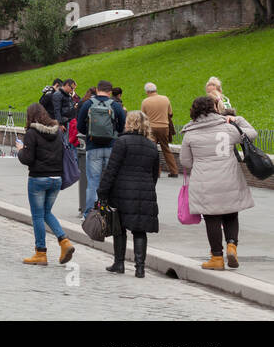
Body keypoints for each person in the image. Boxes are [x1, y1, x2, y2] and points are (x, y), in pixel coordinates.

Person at [179, 95, 256, 270]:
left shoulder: (190, 133)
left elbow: (185, 161)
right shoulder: (227, 128)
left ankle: (217, 258)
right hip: (229, 178)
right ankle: (232, 245)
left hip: (205, 182)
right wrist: (237, 119)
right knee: (231, 214)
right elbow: (252, 133)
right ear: (215, 108)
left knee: (211, 218)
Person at [96, 109, 160, 278]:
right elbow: (155, 174)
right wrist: (147, 187)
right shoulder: (152, 146)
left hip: (121, 191)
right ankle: (140, 268)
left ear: (129, 123)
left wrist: (102, 191)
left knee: (120, 228)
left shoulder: (122, 142)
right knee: (140, 230)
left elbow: (111, 169)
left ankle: (119, 263)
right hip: (145, 191)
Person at [17, 102, 76, 266]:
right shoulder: (57, 132)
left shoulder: (31, 133)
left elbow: (27, 158)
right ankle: (64, 242)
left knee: (37, 215)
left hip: (38, 179)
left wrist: (20, 150)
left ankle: (40, 253)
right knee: (46, 212)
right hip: (56, 178)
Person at [76, 80, 126, 218]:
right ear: (110, 92)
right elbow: (122, 127)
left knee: (93, 182)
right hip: (111, 147)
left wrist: (90, 133)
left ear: (97, 90)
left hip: (93, 148)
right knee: (111, 180)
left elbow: (80, 126)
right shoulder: (115, 105)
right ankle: (111, 213)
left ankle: (90, 214)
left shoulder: (87, 104)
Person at [139, 81, 179, 177]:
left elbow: (143, 117)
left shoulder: (145, 102)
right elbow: (170, 113)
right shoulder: (165, 99)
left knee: (153, 150)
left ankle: (156, 172)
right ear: (155, 90)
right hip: (164, 127)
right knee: (166, 148)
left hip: (151, 128)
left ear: (147, 92)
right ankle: (174, 171)